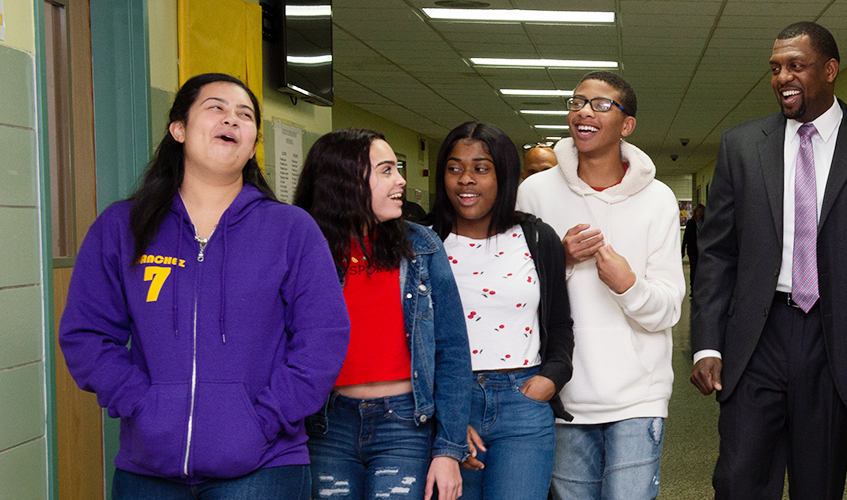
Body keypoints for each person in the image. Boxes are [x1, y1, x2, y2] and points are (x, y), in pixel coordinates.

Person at [58, 73, 349, 499]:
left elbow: (322, 340)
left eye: (245, 115)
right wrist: (139, 403)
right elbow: (86, 334)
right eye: (216, 108)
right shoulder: (123, 226)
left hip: (264, 464)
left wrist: (265, 419)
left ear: (252, 144)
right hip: (148, 468)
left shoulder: (291, 229)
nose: (232, 119)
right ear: (178, 129)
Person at [689, 21, 847, 500]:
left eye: (796, 66)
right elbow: (717, 252)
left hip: (836, 338)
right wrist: (707, 344)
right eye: (775, 68)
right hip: (757, 336)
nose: (782, 77)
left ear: (830, 70)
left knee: (818, 484)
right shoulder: (742, 145)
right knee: (738, 479)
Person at [516, 71, 684, 500]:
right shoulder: (534, 193)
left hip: (638, 398)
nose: (584, 111)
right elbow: (513, 298)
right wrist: (562, 261)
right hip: (563, 393)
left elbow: (668, 309)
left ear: (626, 125)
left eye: (600, 104)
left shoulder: (658, 198)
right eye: (576, 102)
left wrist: (628, 286)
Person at [294, 128, 471, 500]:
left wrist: (448, 449)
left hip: (405, 422)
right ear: (346, 181)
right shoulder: (303, 247)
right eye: (386, 170)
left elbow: (452, 352)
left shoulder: (421, 245)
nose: (401, 180)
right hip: (327, 423)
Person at [428, 121, 575, 500]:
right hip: (450, 403)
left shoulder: (537, 238)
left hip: (522, 403)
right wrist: (447, 421)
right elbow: (411, 338)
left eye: (481, 168)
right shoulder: (425, 243)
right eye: (454, 168)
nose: (465, 181)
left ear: (504, 175)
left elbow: (559, 323)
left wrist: (552, 378)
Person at [682, 203, 705, 293]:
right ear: (695, 212)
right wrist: (682, 249)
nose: (699, 213)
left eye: (701, 212)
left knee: (702, 269)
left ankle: (701, 288)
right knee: (694, 269)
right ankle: (693, 288)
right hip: (693, 249)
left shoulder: (705, 223)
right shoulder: (691, 223)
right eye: (698, 211)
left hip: (703, 249)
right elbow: (686, 237)